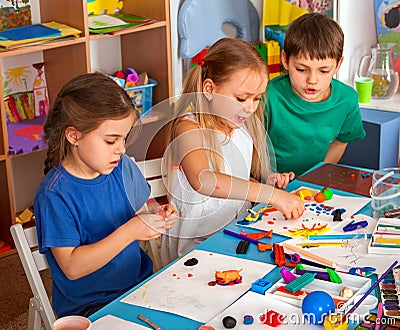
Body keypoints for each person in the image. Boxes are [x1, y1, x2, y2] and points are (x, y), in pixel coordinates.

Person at [34, 73, 177, 317]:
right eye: (111, 141)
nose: (121, 149)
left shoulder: (122, 167)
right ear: (74, 136)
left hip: (139, 285)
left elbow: (142, 213)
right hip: (90, 307)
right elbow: (72, 267)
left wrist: (157, 216)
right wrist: (131, 230)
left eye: (124, 138)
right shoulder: (54, 194)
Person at [160, 38, 305, 265]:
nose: (249, 107)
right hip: (194, 251)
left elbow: (235, 178)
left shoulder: (240, 126)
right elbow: (205, 181)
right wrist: (270, 195)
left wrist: (268, 183)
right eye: (241, 98)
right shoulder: (188, 128)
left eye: (256, 98)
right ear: (209, 89)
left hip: (234, 235)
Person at [265, 12, 366, 177]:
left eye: (324, 71)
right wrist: (268, 177)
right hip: (268, 183)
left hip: (313, 185)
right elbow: (250, 146)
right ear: (285, 60)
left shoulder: (347, 100)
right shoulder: (267, 96)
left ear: (338, 64)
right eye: (301, 69)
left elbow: (341, 140)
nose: (312, 80)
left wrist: (315, 176)